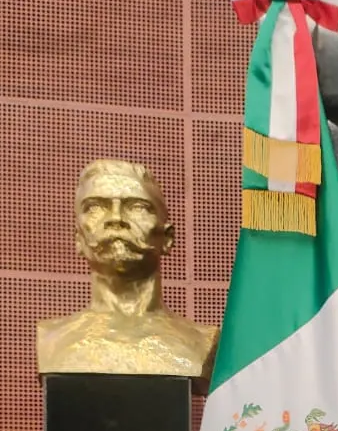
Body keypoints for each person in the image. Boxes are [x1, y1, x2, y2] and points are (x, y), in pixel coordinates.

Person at [36, 159, 217, 378]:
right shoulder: (52, 340)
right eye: (94, 207)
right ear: (78, 239)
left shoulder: (202, 342)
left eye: (137, 207)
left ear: (168, 238)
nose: (115, 219)